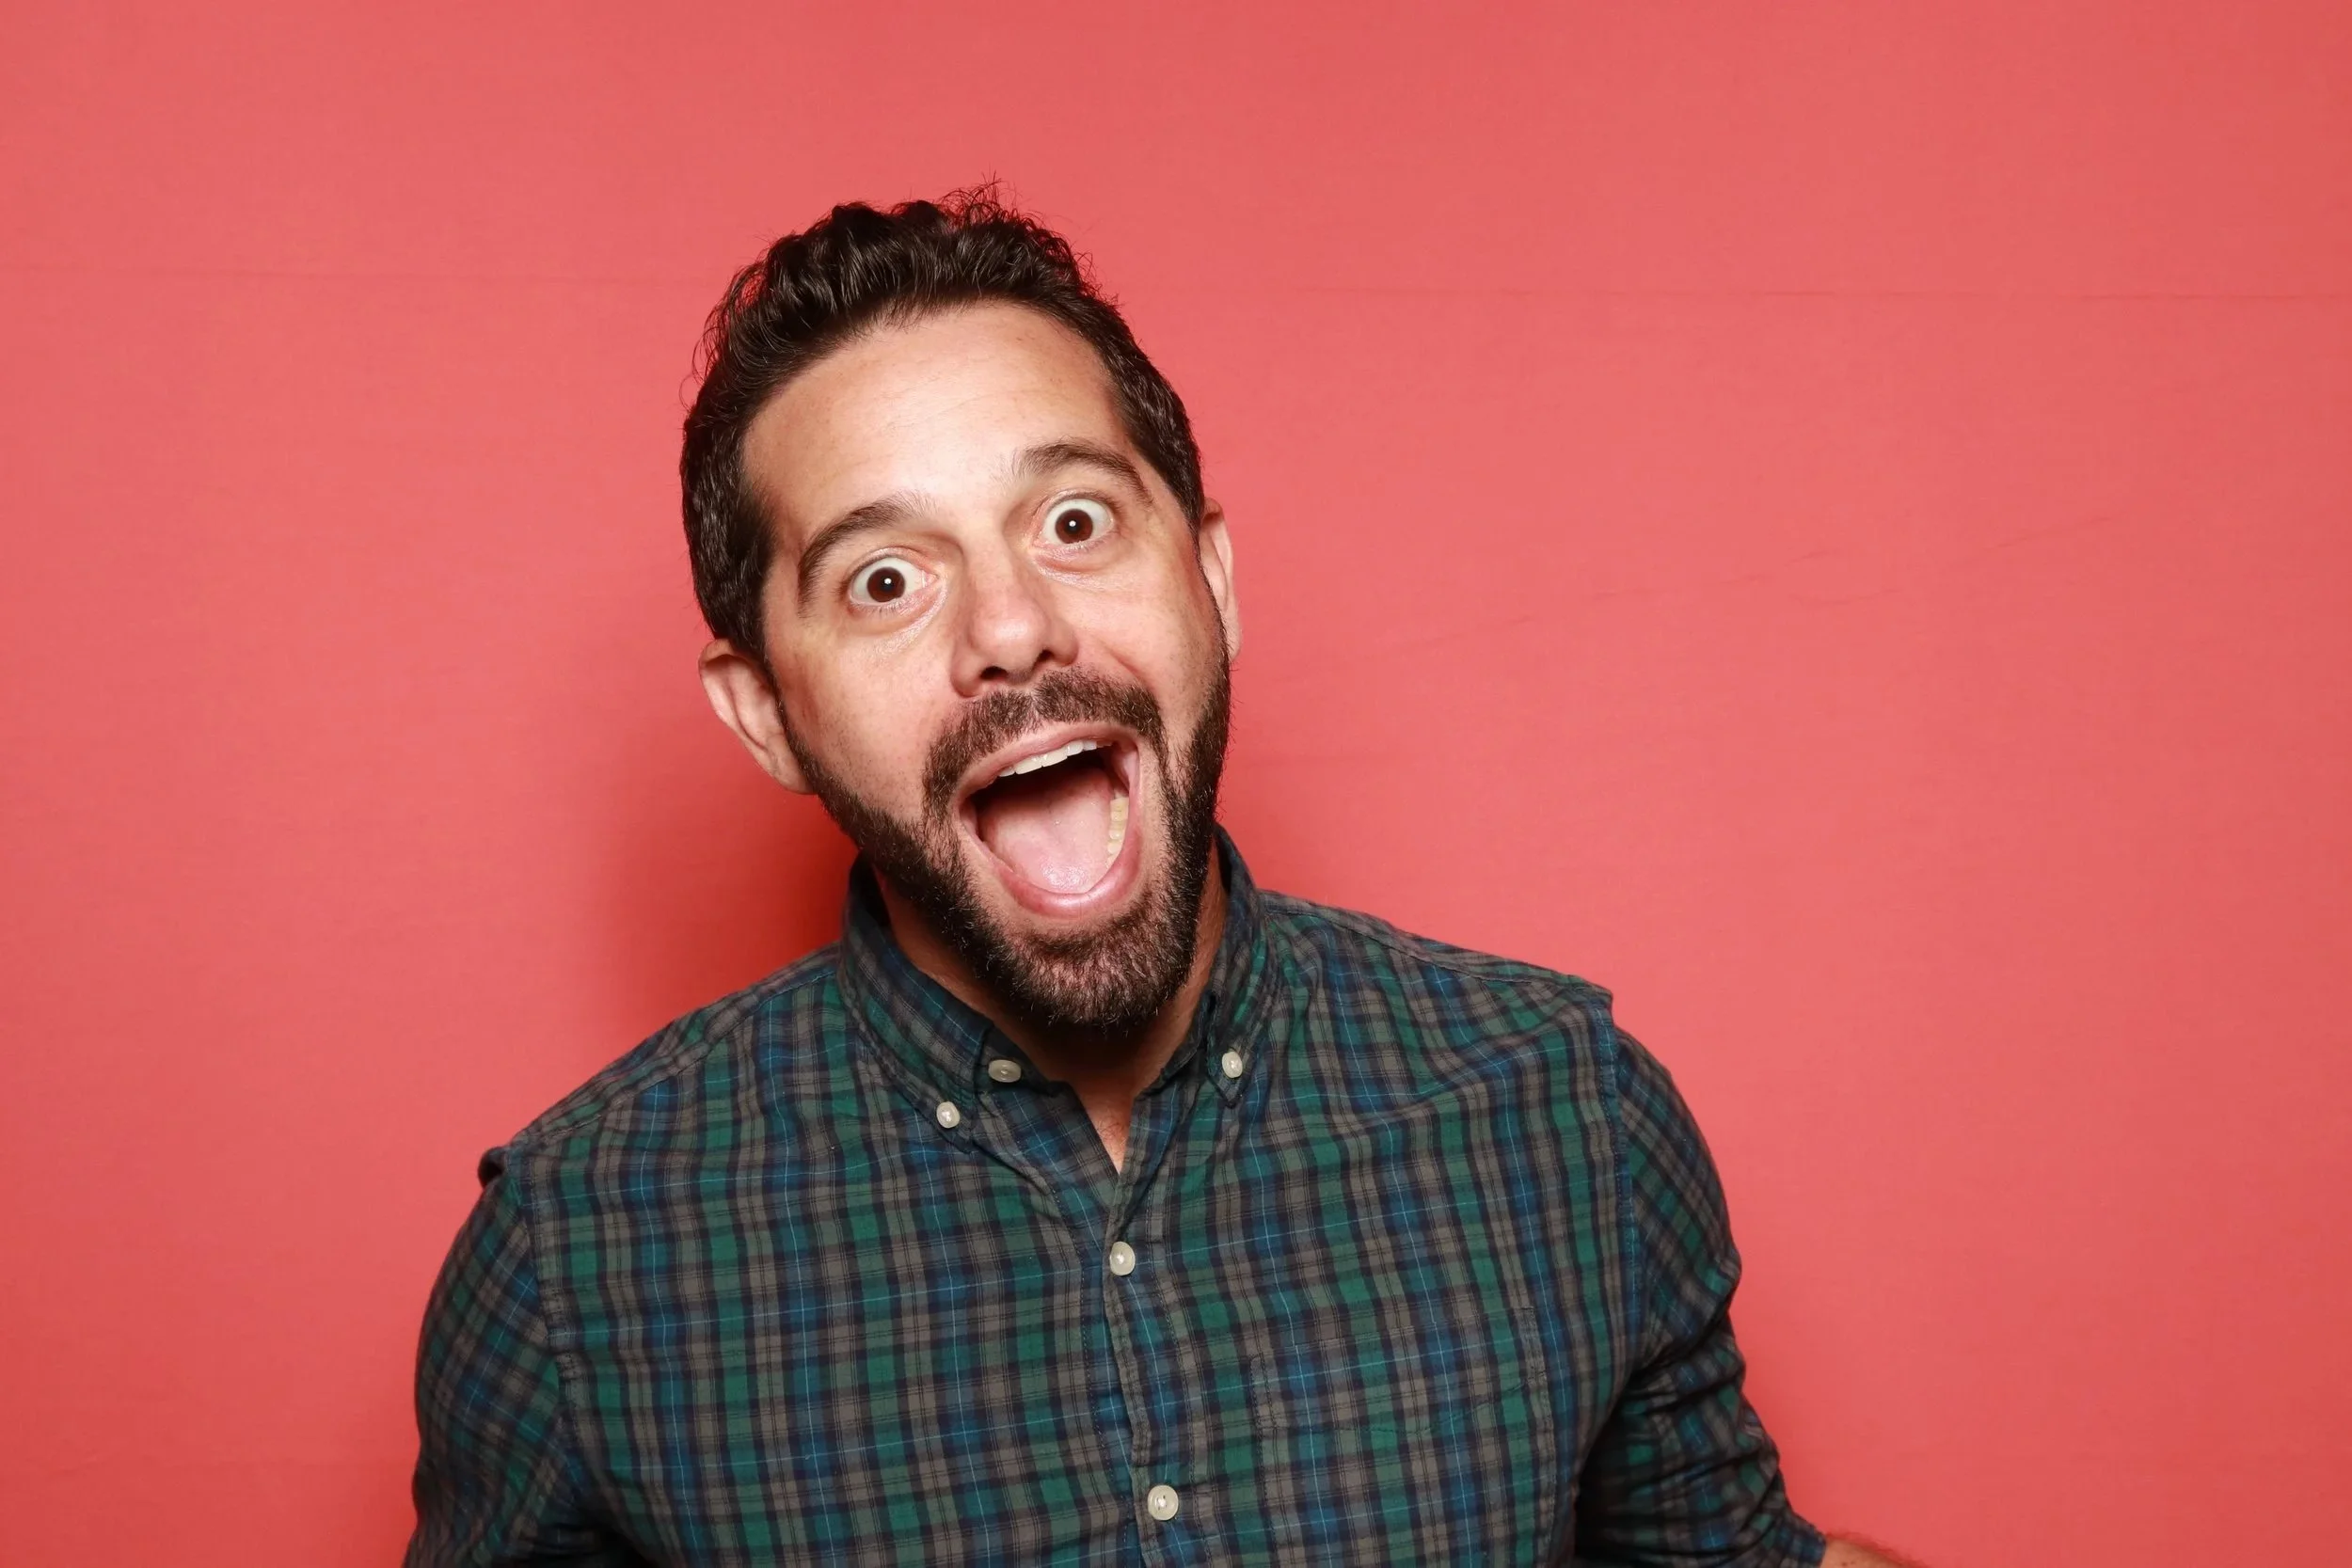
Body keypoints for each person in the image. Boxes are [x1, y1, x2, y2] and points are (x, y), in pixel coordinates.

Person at [405, 190, 1923, 1568]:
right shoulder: (575, 1261)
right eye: (886, 579)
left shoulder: (1565, 1111)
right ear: (766, 716)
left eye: (1074, 521)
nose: (1012, 627)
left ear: (1213, 580)